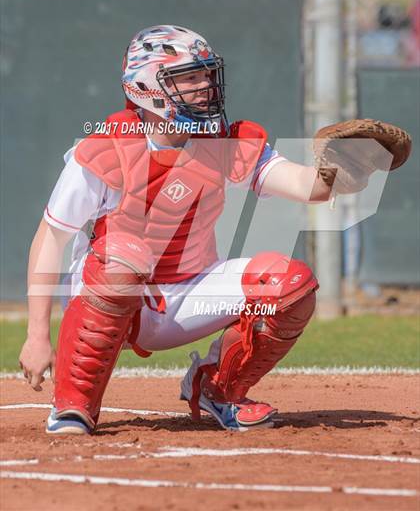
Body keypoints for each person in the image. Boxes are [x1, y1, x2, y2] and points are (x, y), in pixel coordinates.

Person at [19, 25, 332, 434]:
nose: (204, 86)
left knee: (290, 282)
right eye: (188, 77)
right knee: (123, 258)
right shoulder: (106, 148)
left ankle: (219, 390)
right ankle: (74, 404)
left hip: (187, 293)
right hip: (109, 290)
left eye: (206, 74)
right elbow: (50, 238)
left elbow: (309, 187)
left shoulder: (222, 140)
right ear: (147, 88)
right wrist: (37, 334)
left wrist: (341, 169)